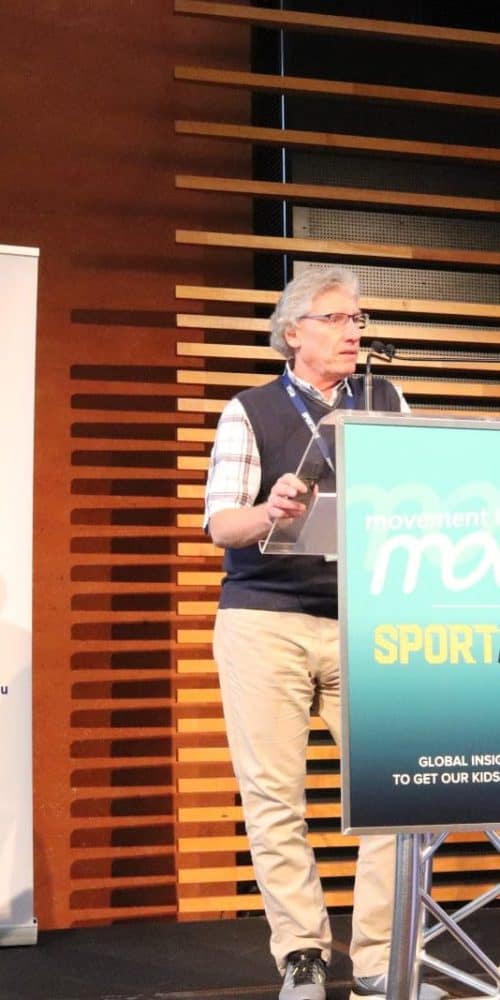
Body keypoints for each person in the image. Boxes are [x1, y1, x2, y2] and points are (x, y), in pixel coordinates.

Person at [204, 265, 444, 1000]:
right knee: (275, 797)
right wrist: (271, 509)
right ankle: (302, 954)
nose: (353, 332)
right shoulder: (250, 410)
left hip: (365, 620)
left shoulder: (384, 398)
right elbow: (221, 524)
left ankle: (379, 959)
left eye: (358, 319)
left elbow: (413, 496)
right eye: (336, 318)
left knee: (395, 791)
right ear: (293, 334)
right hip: (265, 620)